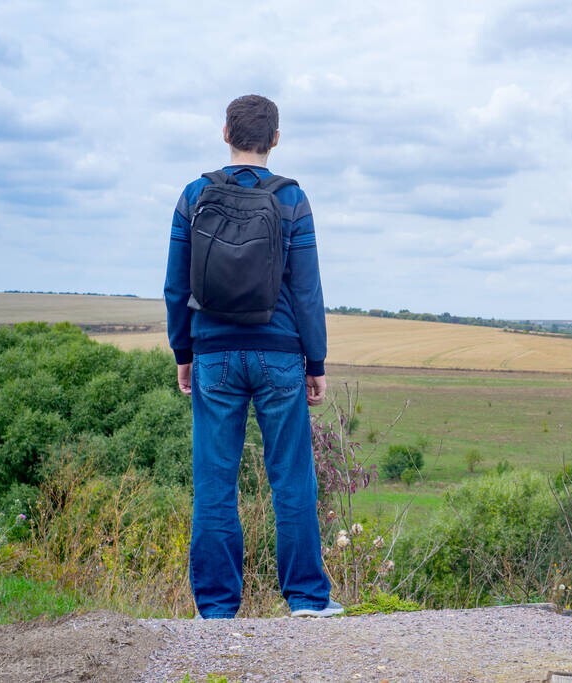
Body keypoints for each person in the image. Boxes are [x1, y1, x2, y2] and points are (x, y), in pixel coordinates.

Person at [164, 94, 341, 619]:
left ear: (226, 133)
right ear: (276, 139)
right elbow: (307, 290)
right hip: (281, 355)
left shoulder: (194, 195)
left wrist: (183, 351)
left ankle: (216, 610)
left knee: (215, 481)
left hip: (214, 355)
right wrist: (316, 363)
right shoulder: (293, 200)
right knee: (291, 477)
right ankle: (308, 601)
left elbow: (176, 285)